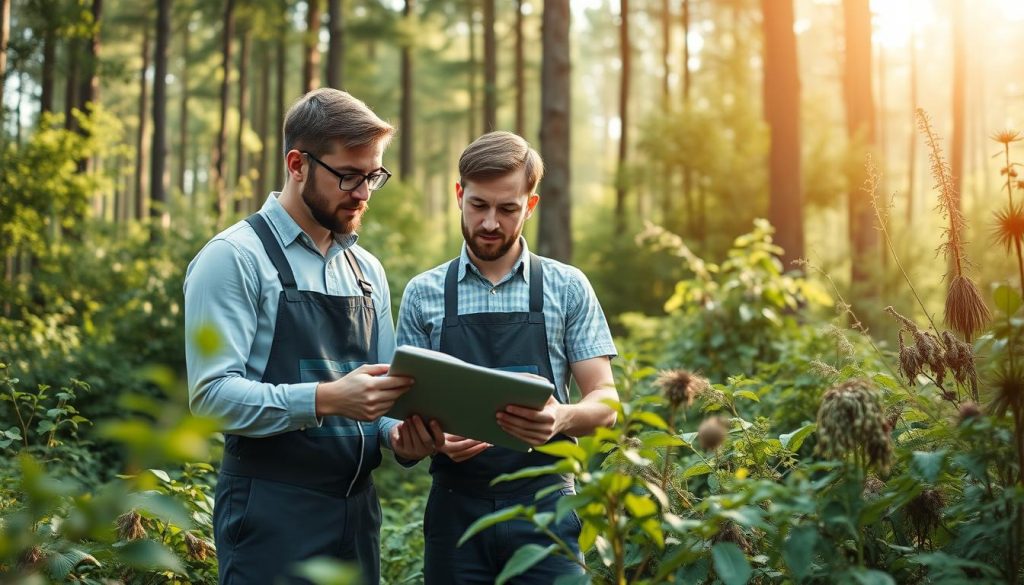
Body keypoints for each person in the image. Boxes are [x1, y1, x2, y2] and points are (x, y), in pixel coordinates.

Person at [184, 88, 442, 585]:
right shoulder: (233, 258)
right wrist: (326, 399)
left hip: (357, 516)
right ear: (298, 164)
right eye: (348, 175)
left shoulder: (367, 270)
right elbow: (210, 398)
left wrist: (404, 438)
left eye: (374, 176)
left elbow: (386, 399)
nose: (364, 192)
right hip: (269, 514)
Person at [396, 131, 619, 584]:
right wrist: (421, 440)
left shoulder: (567, 286)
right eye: (479, 205)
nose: (491, 223)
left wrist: (562, 417)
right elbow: (397, 411)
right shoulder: (424, 294)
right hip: (455, 511)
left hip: (548, 507)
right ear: (459, 195)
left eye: (508, 208)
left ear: (530, 206)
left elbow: (607, 400)